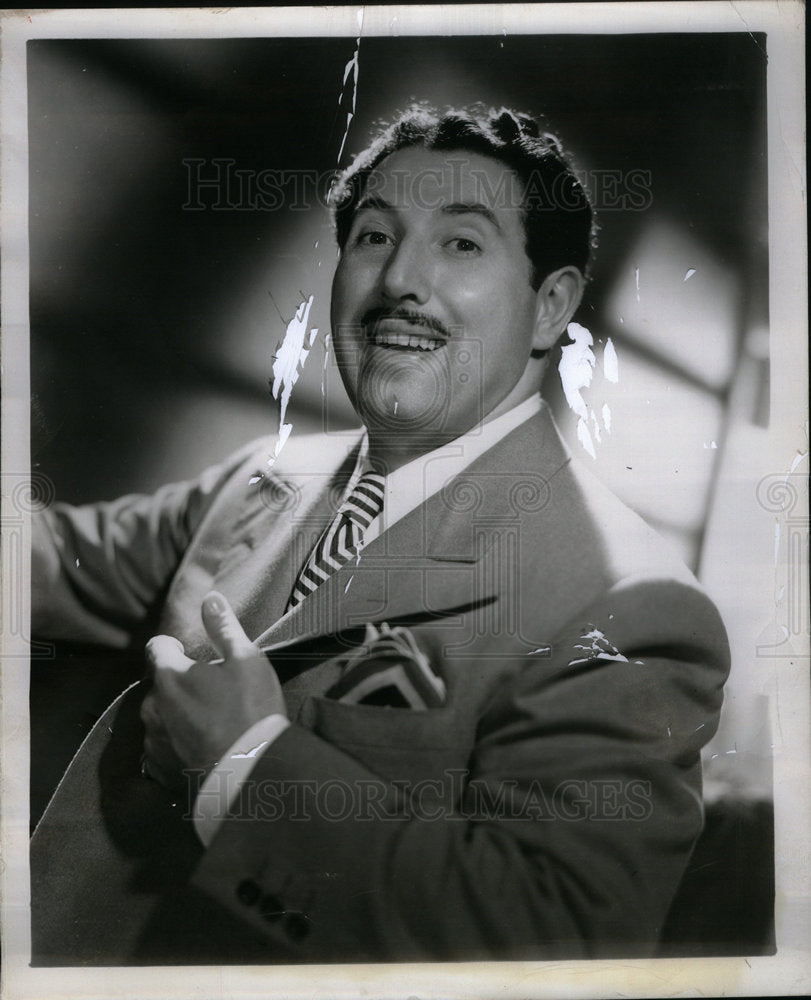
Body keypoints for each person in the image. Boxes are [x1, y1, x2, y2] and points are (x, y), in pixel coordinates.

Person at [30, 106, 730, 964]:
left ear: (550, 307)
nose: (401, 279)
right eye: (372, 236)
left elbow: (563, 939)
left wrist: (245, 764)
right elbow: (52, 560)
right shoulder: (266, 475)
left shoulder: (631, 603)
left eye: (462, 245)